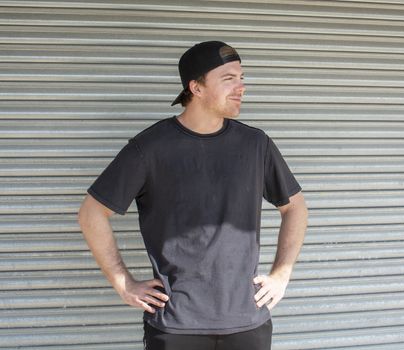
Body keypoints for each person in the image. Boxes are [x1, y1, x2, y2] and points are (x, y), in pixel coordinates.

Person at [78, 40, 308, 350]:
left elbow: (295, 208)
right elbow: (92, 213)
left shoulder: (256, 145)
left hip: (247, 322)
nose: (241, 87)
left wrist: (281, 274)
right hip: (176, 326)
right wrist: (124, 283)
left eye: (242, 78)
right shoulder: (150, 148)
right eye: (229, 78)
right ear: (196, 88)